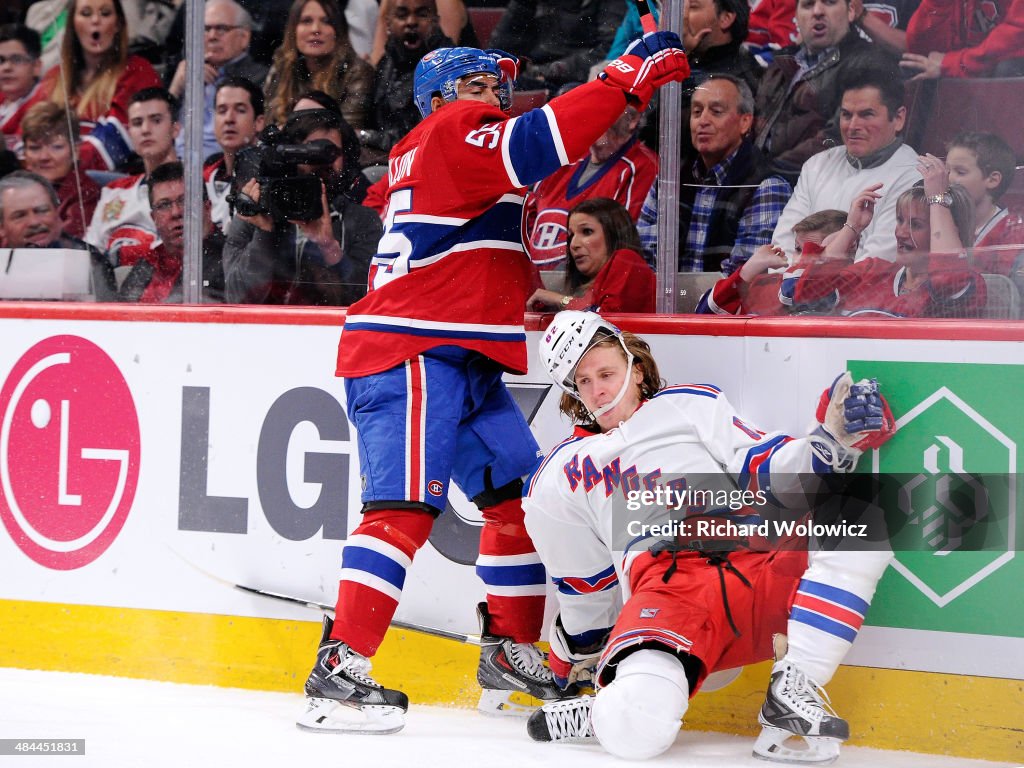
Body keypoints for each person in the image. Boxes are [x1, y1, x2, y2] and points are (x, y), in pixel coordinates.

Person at [300, 35, 690, 735]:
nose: (494, 101)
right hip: (413, 351)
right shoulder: (453, 129)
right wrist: (623, 80)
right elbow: (544, 138)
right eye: (480, 86)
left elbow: (452, 242)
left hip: (456, 350)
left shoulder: (420, 151)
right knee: (401, 512)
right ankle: (340, 669)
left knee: (519, 497)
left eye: (498, 89)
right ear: (443, 98)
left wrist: (527, 291)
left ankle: (509, 653)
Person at [522, 311, 895, 762]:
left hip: (750, 558)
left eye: (606, 373)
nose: (598, 390)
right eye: (583, 382)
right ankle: (609, 708)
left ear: (635, 368)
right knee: (637, 734)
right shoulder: (557, 476)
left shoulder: (688, 404)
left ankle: (795, 688)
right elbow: (582, 581)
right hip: (669, 591)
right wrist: (575, 656)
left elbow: (764, 467)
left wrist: (829, 441)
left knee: (859, 519)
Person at [222, 107, 381, 305]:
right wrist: (265, 233)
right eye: (312, 150)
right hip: (265, 331)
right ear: (290, 153)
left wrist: (329, 247)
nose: (323, 162)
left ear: (346, 159)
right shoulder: (257, 211)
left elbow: (366, 300)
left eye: (333, 153)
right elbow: (237, 297)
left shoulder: (362, 220)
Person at [792, 158, 987, 317]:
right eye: (900, 220)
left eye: (916, 225)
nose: (901, 233)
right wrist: (852, 227)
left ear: (951, 230)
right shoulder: (871, 272)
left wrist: (938, 200)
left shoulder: (968, 282)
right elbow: (807, 295)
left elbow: (948, 279)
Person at [637, 73, 791, 273]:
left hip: (726, 303)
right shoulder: (670, 178)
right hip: (666, 301)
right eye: (697, 112)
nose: (703, 121)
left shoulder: (766, 186)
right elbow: (643, 255)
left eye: (716, 111)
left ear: (745, 122)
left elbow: (746, 276)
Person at [770, 64, 920, 263]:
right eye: (847, 115)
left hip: (861, 292)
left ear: (899, 118)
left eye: (867, 114)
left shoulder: (912, 176)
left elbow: (876, 263)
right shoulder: (817, 164)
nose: (853, 126)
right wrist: (788, 289)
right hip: (793, 289)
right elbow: (783, 246)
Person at [752, 0, 875, 183]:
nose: (817, 11)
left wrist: (764, 172)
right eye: (808, 5)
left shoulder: (866, 63)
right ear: (796, 17)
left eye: (830, 2)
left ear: (850, 11)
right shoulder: (781, 62)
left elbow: (836, 139)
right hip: (758, 178)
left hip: (810, 183)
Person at [523, 104, 656, 269]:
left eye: (604, 106)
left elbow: (625, 253)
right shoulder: (562, 162)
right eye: (591, 105)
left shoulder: (643, 168)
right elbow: (524, 229)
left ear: (632, 119)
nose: (593, 117)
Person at [38, 0, 162, 171]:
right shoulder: (53, 77)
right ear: (73, 23)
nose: (95, 21)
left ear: (118, 24)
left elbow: (116, 141)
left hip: (104, 181)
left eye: (105, 13)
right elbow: (30, 133)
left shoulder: (138, 71)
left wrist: (59, 162)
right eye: (86, 14)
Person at [84, 87, 179, 262]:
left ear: (175, 128)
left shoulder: (199, 185)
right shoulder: (113, 192)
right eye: (137, 123)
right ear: (129, 133)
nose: (145, 130)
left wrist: (124, 255)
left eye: (156, 120)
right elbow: (90, 257)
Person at [167, 0, 269, 162]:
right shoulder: (182, 72)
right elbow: (161, 129)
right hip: (174, 164)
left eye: (221, 29)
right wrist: (175, 88)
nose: (212, 36)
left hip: (226, 166)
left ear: (244, 37)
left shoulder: (262, 77)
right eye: (206, 29)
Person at [696, 209, 849, 314]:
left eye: (811, 249)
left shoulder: (849, 282)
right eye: (797, 249)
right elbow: (704, 315)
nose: (798, 258)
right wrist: (748, 269)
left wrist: (836, 248)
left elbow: (798, 293)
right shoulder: (763, 283)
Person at [118, 161, 226, 303]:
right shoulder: (149, 263)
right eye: (164, 205)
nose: (176, 212)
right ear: (154, 218)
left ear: (207, 208)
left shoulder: (228, 258)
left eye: (185, 200)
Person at [360, 0, 452, 165]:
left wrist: (363, 136)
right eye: (402, 15)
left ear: (436, 21)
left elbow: (419, 138)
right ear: (388, 23)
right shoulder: (388, 59)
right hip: (389, 158)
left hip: (426, 163)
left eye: (422, 14)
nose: (411, 22)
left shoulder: (447, 66)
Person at [0, 170, 116, 299]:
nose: (34, 222)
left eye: (42, 211)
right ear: (1, 227)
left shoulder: (87, 260)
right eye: (20, 216)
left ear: (57, 212)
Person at [527, 198, 654, 312]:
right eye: (571, 235)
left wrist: (561, 300)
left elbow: (605, 322)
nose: (573, 244)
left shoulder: (627, 258)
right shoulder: (585, 289)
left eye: (587, 231)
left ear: (613, 234)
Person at [263, 0, 375, 130]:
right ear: (293, 29)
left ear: (339, 31)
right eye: (306, 21)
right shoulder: (281, 68)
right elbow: (267, 127)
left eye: (326, 21)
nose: (316, 29)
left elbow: (346, 132)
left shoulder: (357, 72)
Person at [490, 0, 627, 93]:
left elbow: (607, 52)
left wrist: (545, 72)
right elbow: (505, 39)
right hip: (532, 73)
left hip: (576, 80)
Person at [945, 131, 1024, 275]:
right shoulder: (941, 219)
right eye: (947, 170)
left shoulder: (1014, 238)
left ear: (992, 180)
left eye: (960, 172)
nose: (949, 179)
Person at [20, 101, 101, 240]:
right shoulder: (14, 191)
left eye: (56, 147)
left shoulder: (86, 194)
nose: (44, 157)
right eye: (35, 148)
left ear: (75, 150)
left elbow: (64, 245)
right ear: (24, 153)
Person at [204, 76, 266, 232]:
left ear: (259, 122)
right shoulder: (202, 177)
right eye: (222, 110)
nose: (229, 119)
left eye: (240, 110)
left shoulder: (270, 178)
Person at [901, 0, 1024, 78]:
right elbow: (922, 49)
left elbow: (1014, 42)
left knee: (1008, 67)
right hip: (976, 67)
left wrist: (952, 64)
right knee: (921, 70)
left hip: (1007, 66)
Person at [0, 24, 46, 157]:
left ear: (37, 66)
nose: (6, 67)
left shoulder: (46, 106)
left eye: (17, 60)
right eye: (0, 60)